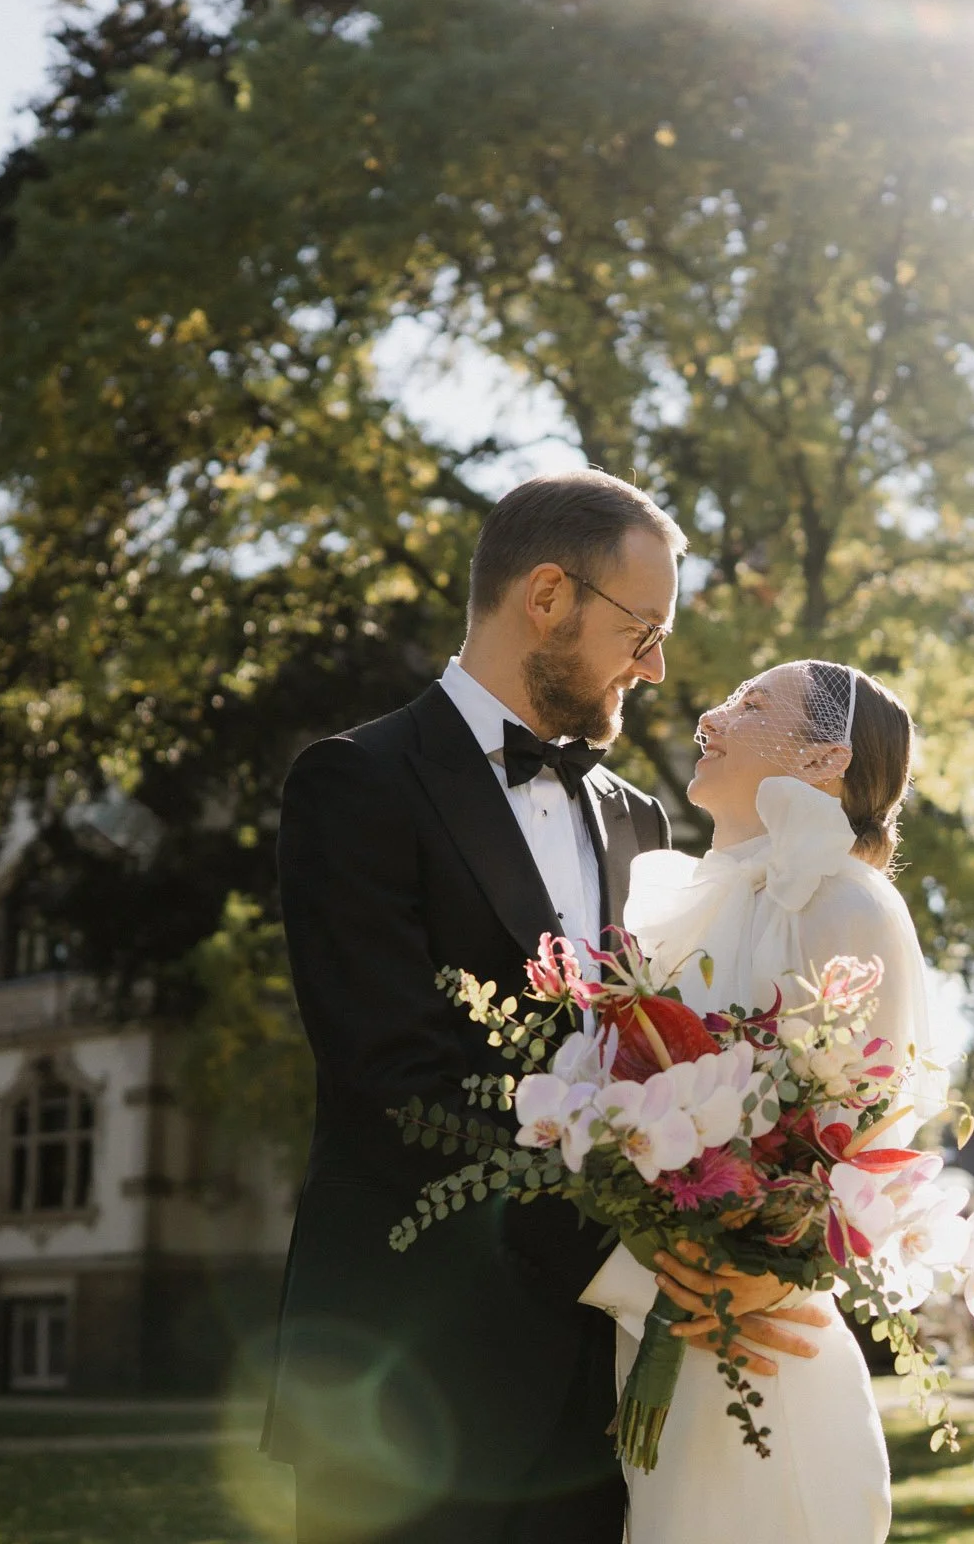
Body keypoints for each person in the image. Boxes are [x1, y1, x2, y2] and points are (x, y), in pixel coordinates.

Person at [262, 471, 821, 1543]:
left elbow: (657, 1064)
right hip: (397, 1385)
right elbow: (395, 1084)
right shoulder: (354, 782)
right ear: (549, 596)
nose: (655, 667)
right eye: (642, 630)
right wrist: (639, 1272)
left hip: (596, 1397)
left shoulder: (638, 820)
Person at [581, 658, 927, 1544]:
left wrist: (763, 1274)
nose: (712, 715)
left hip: (766, 1353)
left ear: (823, 760)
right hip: (659, 1329)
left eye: (752, 703)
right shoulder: (689, 905)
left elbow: (871, 1140)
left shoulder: (848, 906)